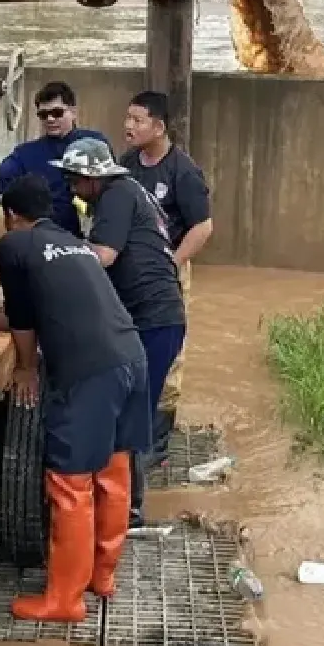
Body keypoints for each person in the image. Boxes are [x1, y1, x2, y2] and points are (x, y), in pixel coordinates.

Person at [0, 175, 151, 623]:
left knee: (70, 482)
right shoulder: (76, 245)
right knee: (113, 472)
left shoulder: (15, 247)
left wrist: (25, 368)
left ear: (10, 216)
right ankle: (102, 577)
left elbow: (23, 317)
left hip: (90, 373)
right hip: (130, 358)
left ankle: (64, 600)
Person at [57, 139, 185, 528]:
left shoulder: (116, 195)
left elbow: (104, 256)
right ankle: (123, 503)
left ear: (94, 178)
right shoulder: (128, 192)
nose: (72, 188)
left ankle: (129, 509)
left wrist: (59, 253)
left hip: (154, 318)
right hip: (152, 316)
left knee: (134, 415)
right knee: (130, 410)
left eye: (76, 180)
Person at [119, 90, 214, 443]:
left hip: (168, 269)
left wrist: (172, 264)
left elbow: (203, 227)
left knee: (169, 351)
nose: (129, 126)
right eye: (127, 118)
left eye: (137, 120)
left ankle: (159, 433)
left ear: (158, 127)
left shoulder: (183, 171)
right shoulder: (126, 165)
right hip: (129, 270)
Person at [0, 80, 107, 237]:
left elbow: (113, 188)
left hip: (90, 237)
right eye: (43, 115)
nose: (50, 119)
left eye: (57, 113)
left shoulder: (95, 144)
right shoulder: (26, 154)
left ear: (73, 112)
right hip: (42, 239)